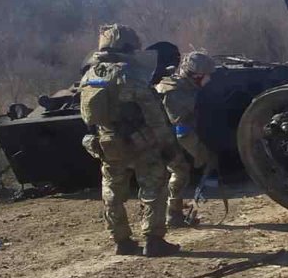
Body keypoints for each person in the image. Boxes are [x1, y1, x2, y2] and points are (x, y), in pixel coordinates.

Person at [79, 24, 182, 257]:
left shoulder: (90, 74)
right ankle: (153, 240)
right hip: (140, 141)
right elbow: (153, 114)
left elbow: (86, 114)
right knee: (153, 186)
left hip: (106, 140)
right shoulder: (129, 74)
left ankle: (121, 241)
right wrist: (167, 145)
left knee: (112, 190)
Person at [156, 50, 216, 227]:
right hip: (162, 138)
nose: (209, 80)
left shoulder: (185, 87)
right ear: (196, 75)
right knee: (180, 170)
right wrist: (202, 154)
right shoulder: (176, 92)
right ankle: (173, 215)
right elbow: (182, 132)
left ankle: (173, 209)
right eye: (206, 76)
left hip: (167, 135)